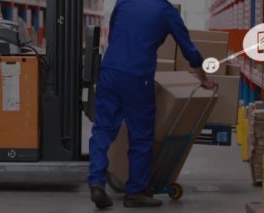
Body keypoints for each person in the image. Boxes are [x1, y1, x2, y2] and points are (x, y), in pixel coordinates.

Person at [88, 0, 215, 209]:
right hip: (137, 76)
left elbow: (113, 35)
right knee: (140, 135)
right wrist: (203, 77)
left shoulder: (123, 2)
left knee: (103, 129)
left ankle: (96, 182)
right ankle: (135, 192)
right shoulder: (165, 10)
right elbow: (188, 48)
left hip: (109, 70)